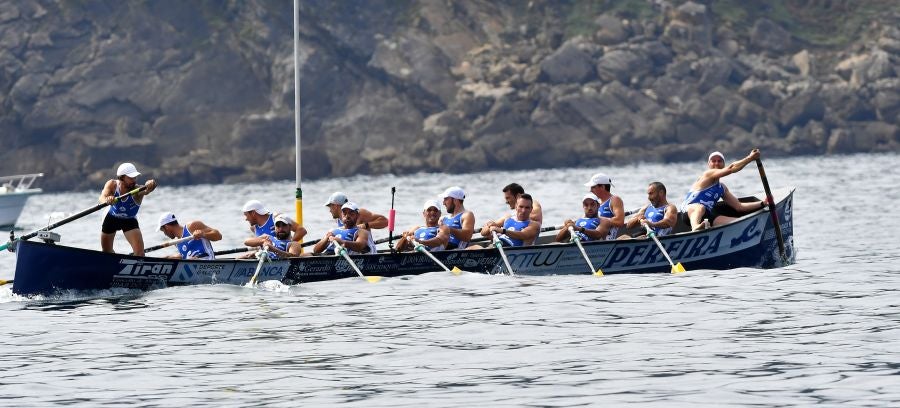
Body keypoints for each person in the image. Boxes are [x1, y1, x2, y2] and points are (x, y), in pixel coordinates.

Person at [682, 149, 767, 230]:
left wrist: (763, 203)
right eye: (713, 161)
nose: (716, 163)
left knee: (738, 222)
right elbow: (731, 168)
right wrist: (750, 158)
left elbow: (739, 207)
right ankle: (695, 227)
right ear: (709, 164)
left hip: (707, 216)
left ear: (723, 164)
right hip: (689, 212)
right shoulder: (707, 174)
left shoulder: (722, 188)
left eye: (719, 161)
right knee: (700, 207)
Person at [99, 162, 157, 256]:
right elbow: (102, 198)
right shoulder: (112, 185)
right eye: (131, 178)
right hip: (111, 218)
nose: (134, 180)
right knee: (106, 253)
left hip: (129, 220)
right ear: (121, 178)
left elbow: (146, 190)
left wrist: (150, 185)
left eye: (135, 177)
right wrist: (107, 199)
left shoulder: (137, 190)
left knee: (140, 254)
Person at [475, 194, 541, 248]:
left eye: (527, 208)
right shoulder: (508, 217)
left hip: (512, 251)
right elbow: (483, 233)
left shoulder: (534, 225)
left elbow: (522, 235)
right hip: (498, 246)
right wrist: (489, 226)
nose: (523, 211)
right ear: (516, 207)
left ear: (531, 209)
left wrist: (501, 231)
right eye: (521, 207)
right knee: (475, 247)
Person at [312, 202, 376, 255]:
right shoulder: (333, 231)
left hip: (344, 259)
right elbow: (315, 250)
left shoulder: (361, 232)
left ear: (357, 215)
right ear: (341, 215)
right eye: (344, 213)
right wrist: (326, 238)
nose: (347, 216)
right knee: (306, 255)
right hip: (326, 258)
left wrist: (342, 242)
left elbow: (360, 246)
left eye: (351, 213)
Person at [157, 212, 222, 259]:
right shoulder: (177, 243)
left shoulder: (192, 226)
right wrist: (165, 258)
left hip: (209, 265)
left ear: (167, 227)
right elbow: (185, 255)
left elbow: (218, 235)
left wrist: (203, 234)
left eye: (163, 230)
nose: (165, 234)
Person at [242, 199, 307, 243]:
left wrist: (288, 245)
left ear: (253, 213)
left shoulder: (276, 217)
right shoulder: (253, 228)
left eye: (246, 215)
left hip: (284, 257)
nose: (246, 219)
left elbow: (301, 230)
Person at [585, 173, 625, 240]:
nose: (590, 190)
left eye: (593, 187)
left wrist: (599, 219)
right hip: (593, 237)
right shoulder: (596, 202)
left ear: (602, 187)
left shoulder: (615, 200)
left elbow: (619, 221)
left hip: (606, 240)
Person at [324, 192, 388, 230]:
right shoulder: (338, 220)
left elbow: (385, 221)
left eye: (330, 207)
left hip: (366, 252)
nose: (330, 210)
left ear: (335, 206)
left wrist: (365, 225)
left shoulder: (360, 213)